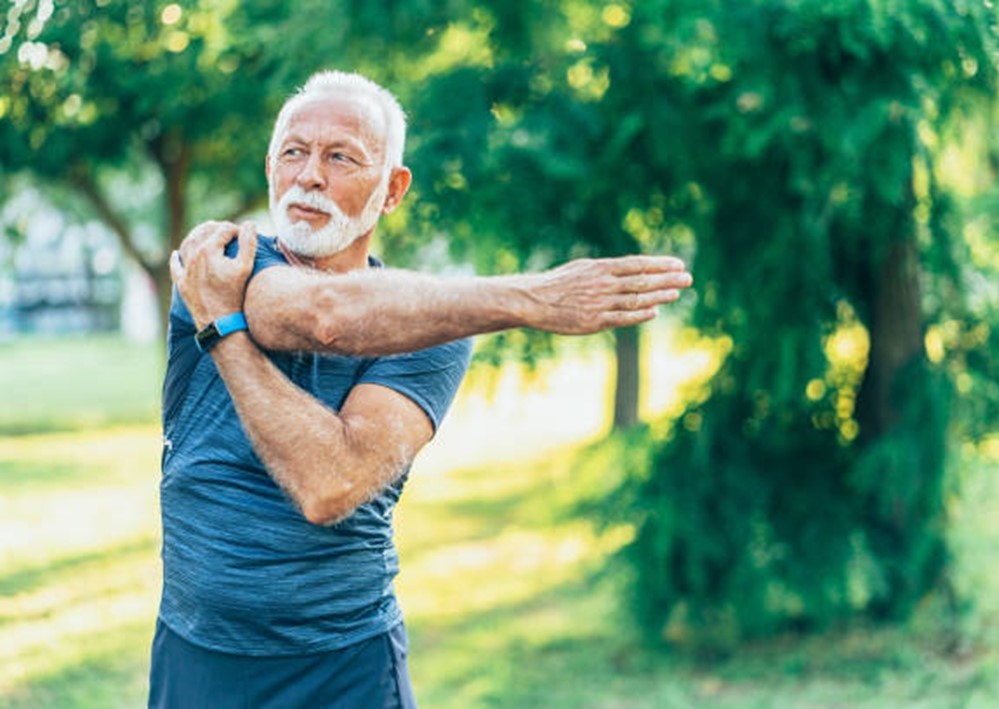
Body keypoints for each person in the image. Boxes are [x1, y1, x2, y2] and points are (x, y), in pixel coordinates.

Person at [149, 69, 691, 708]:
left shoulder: (435, 327)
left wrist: (226, 338)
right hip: (197, 654)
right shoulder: (219, 260)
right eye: (293, 152)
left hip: (344, 665)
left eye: (340, 157)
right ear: (270, 166)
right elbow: (323, 314)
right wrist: (530, 297)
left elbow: (330, 484)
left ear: (392, 189)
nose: (309, 176)